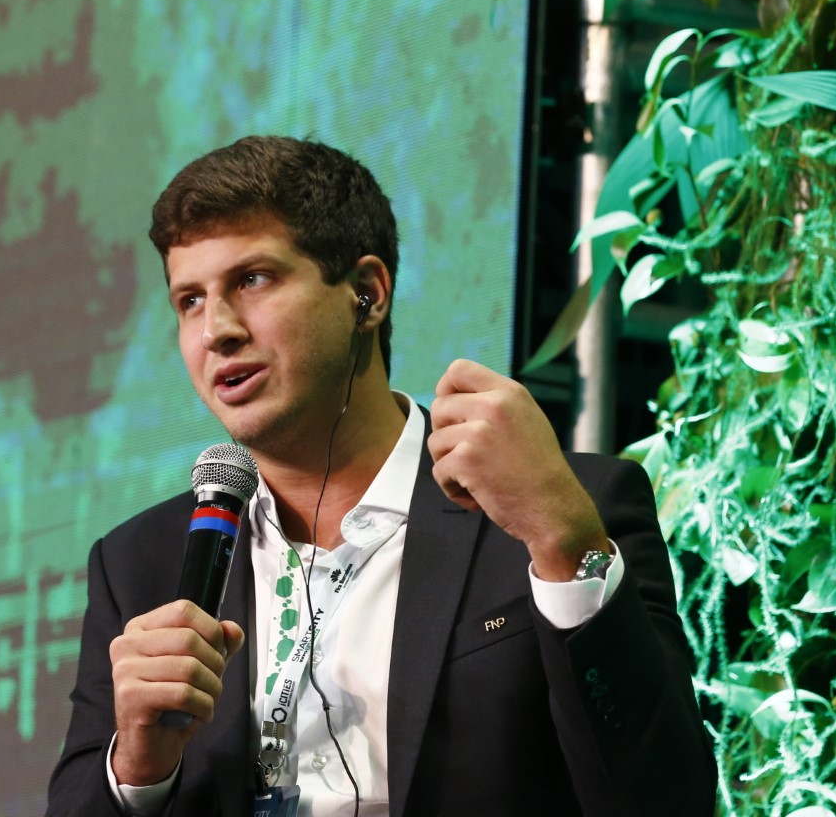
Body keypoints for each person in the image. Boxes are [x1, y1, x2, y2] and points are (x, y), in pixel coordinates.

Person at [45, 137, 714, 817]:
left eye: (252, 280)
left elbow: (668, 800)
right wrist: (137, 768)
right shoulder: (139, 564)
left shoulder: (562, 508)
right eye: (189, 300)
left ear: (366, 294)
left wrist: (566, 543)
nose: (215, 330)